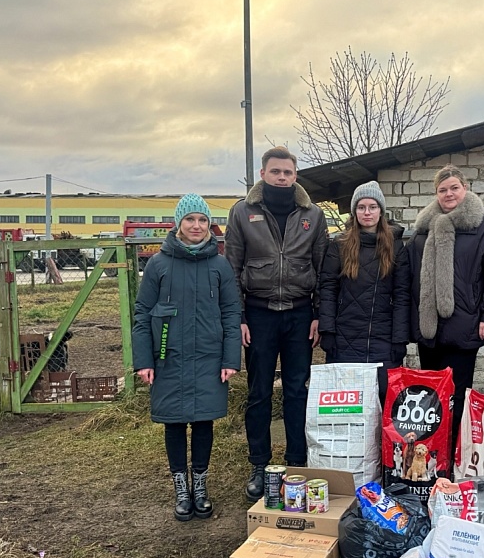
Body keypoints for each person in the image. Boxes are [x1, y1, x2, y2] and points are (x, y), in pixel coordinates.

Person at [225, 146, 329, 502]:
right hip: (259, 313)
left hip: (300, 314)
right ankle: (260, 463)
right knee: (259, 391)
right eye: (275, 172)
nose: (281, 177)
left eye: (287, 172)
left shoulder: (312, 215)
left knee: (298, 390)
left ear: (295, 175)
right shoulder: (242, 212)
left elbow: (322, 268)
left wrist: (317, 314)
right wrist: (238, 317)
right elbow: (232, 270)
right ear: (263, 174)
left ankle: (297, 460)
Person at [132, 194, 241, 521]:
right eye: (190, 219)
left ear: (210, 225)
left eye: (203, 220)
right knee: (175, 421)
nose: (197, 226)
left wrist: (230, 359)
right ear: (178, 223)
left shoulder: (220, 265)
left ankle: (201, 485)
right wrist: (144, 360)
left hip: (209, 356)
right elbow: (142, 313)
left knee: (204, 419)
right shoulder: (159, 264)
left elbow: (231, 313)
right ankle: (181, 488)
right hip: (169, 357)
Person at [409, 164, 484, 455]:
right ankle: (433, 451)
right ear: (436, 194)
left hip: (465, 324)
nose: (449, 193)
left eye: (454, 187)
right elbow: (411, 278)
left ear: (465, 189)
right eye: (443, 189)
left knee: (458, 393)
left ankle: (456, 452)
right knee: (432, 395)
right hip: (430, 329)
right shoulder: (421, 231)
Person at [318, 180, 411, 406]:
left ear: (381, 211)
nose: (367, 212)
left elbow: (402, 295)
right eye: (361, 207)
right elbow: (328, 289)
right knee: (349, 405)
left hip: (383, 339)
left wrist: (400, 338)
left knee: (384, 400)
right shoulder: (339, 245)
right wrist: (327, 329)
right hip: (346, 338)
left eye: (372, 207)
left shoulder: (396, 247)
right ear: (354, 211)